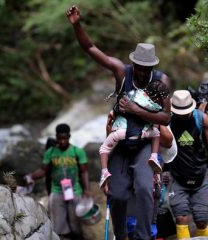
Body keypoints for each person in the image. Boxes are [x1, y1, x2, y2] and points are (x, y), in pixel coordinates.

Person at [66, 5, 171, 240]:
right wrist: (77, 25)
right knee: (117, 194)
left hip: (144, 142)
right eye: (139, 69)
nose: (143, 74)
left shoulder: (161, 80)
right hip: (120, 144)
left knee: (145, 189)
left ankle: (144, 237)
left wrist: (136, 109)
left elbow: (166, 117)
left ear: (152, 67)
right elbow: (91, 48)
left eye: (147, 70)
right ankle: (121, 236)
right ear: (134, 64)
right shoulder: (122, 73)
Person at [167, 90, 208, 239]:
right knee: (181, 218)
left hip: (200, 176)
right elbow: (159, 148)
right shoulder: (167, 121)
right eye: (179, 112)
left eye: (185, 112)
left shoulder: (202, 119)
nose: (182, 115)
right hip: (176, 177)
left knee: (202, 220)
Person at [99, 80, 170, 188]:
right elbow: (164, 117)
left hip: (121, 132)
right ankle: (154, 156)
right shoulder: (155, 107)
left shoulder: (135, 95)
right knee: (156, 133)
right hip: (143, 133)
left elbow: (117, 109)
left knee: (104, 149)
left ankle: (104, 171)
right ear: (157, 98)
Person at [25, 123, 90, 240]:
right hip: (57, 191)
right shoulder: (50, 152)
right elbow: (43, 170)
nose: (62, 141)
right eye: (60, 138)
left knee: (76, 225)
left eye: (65, 138)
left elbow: (84, 171)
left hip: (75, 191)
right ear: (56, 137)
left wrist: (86, 190)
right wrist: (31, 176)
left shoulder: (77, 151)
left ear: (69, 137)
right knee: (57, 228)